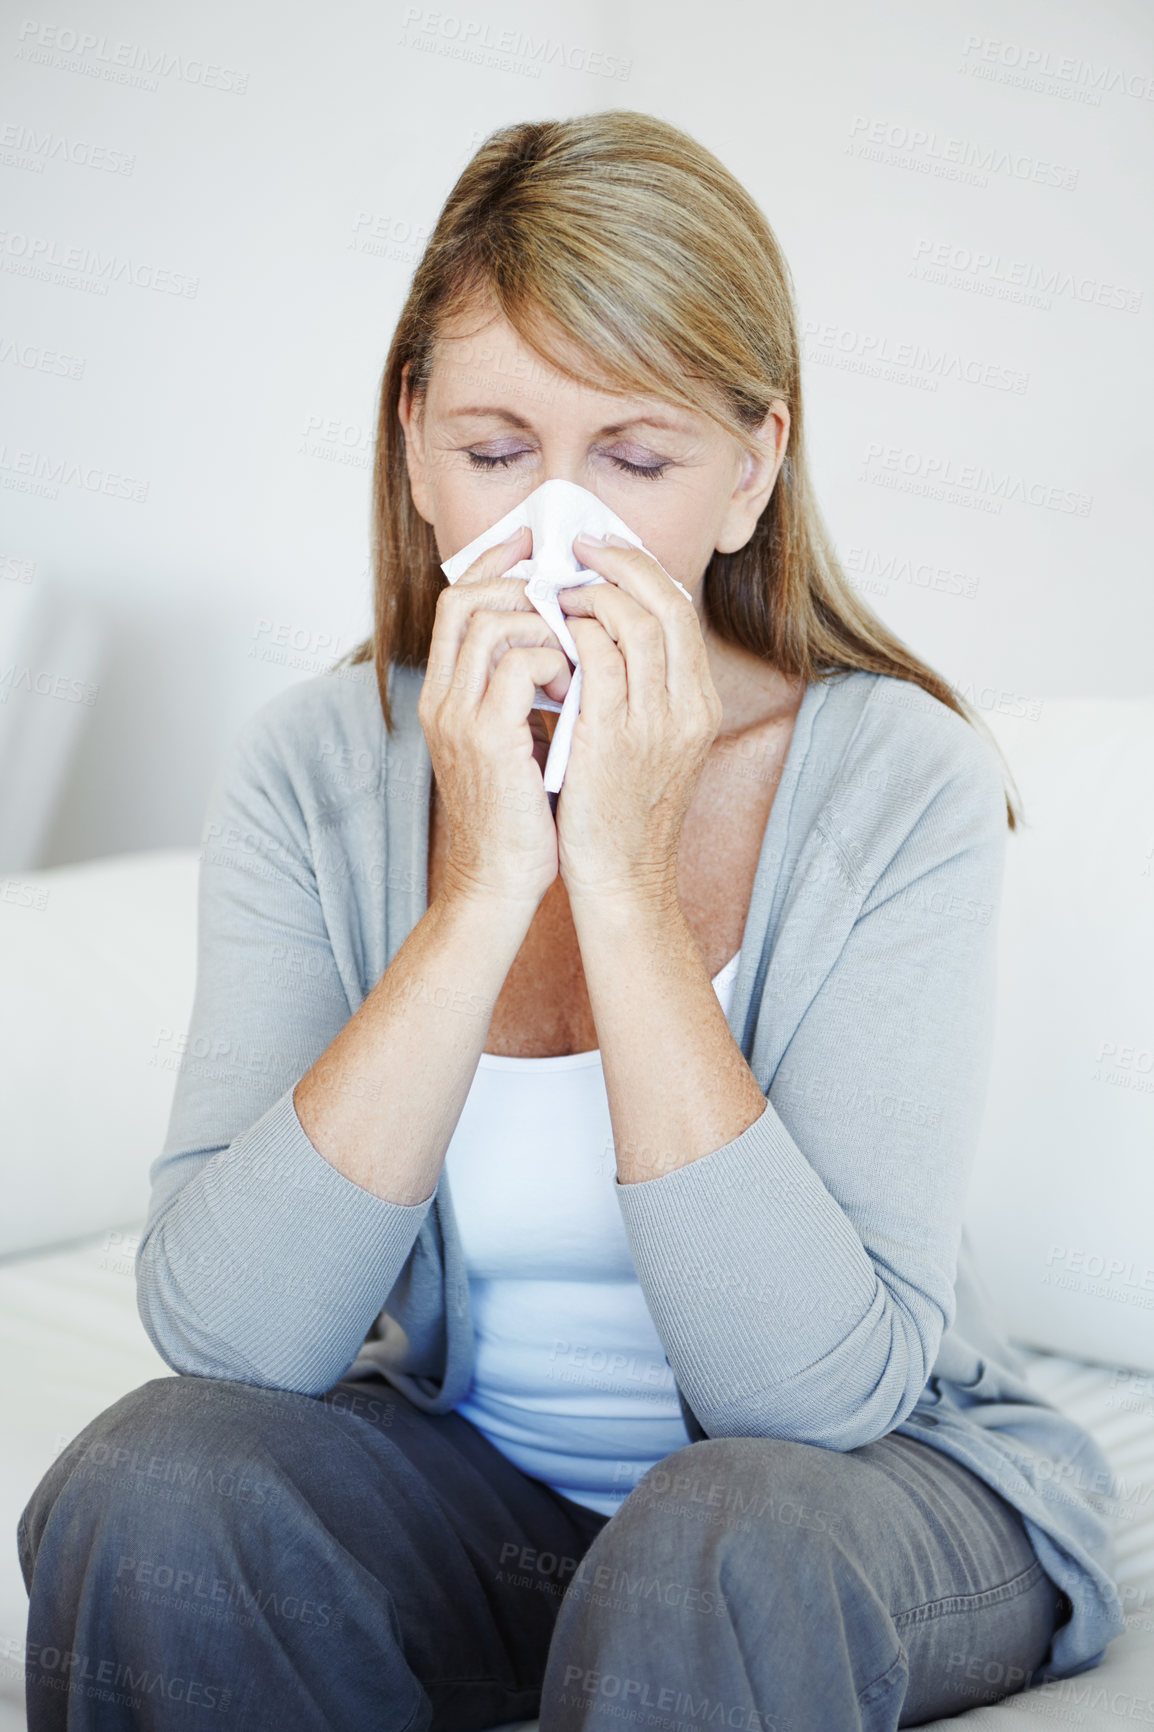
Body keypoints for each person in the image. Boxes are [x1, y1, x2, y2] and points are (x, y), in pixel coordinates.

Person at [19, 110, 1124, 1732]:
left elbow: (804, 1402)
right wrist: (478, 892)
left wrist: (616, 869)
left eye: (635, 458)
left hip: (849, 1505)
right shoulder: (315, 767)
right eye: (493, 452)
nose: (554, 533)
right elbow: (232, 1342)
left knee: (716, 1538)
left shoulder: (901, 780)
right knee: (156, 1482)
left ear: (750, 473)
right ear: (409, 446)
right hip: (486, 1502)